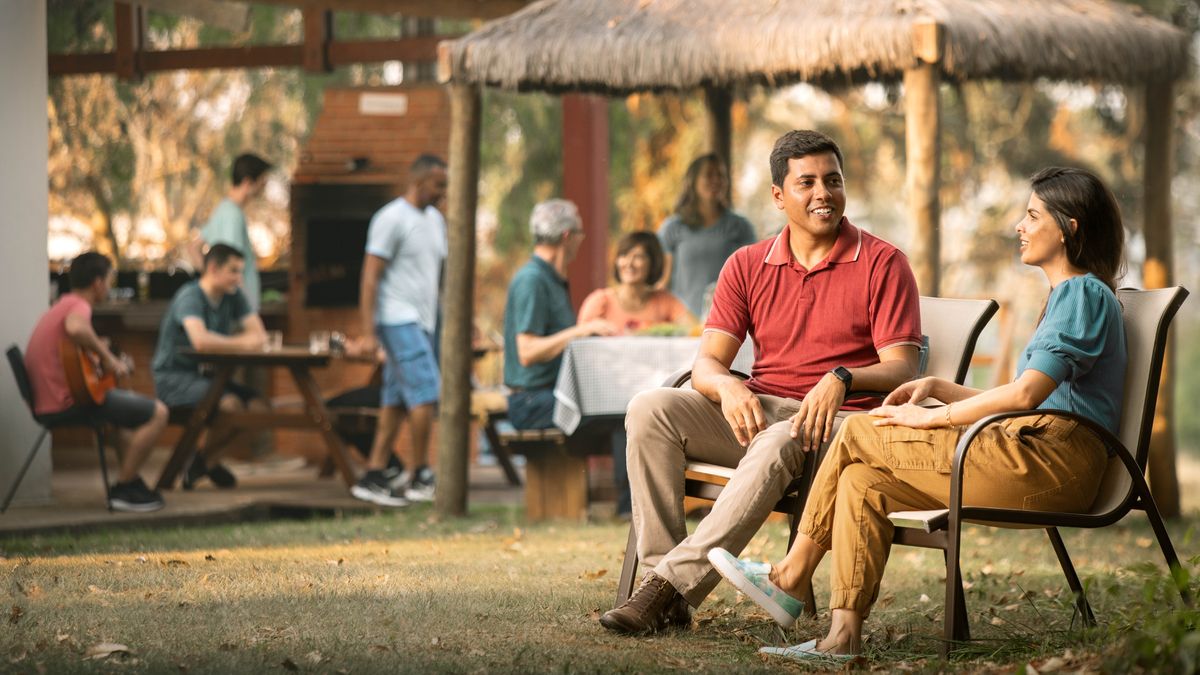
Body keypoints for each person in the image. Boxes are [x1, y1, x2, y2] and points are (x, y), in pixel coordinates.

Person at [709, 167, 1127, 662]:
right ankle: (842, 640)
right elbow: (1028, 395)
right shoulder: (1070, 296)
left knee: (860, 429)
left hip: (1051, 463)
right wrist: (939, 389)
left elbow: (1025, 397)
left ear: (1069, 227)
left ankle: (792, 574)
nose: (1020, 224)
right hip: (1032, 453)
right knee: (862, 480)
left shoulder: (1083, 293)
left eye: (1033, 215)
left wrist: (934, 418)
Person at [599, 130, 923, 635]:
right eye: (807, 182)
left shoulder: (883, 262)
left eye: (833, 181)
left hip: (838, 425)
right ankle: (665, 586)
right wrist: (729, 387)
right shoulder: (746, 265)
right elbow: (708, 362)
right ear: (778, 196)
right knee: (649, 407)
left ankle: (665, 590)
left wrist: (841, 377)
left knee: (779, 439)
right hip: (762, 407)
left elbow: (903, 367)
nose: (824, 194)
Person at [24, 252, 169, 512]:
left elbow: (73, 352)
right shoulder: (79, 306)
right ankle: (123, 488)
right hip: (68, 402)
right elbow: (77, 329)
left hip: (51, 401)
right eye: (110, 280)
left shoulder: (61, 305)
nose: (110, 286)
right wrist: (110, 360)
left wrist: (99, 353)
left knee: (118, 424)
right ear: (98, 283)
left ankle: (131, 481)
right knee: (158, 413)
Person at [348, 154, 449, 507]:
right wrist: (368, 333)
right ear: (419, 181)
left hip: (425, 321)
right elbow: (370, 277)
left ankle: (374, 474)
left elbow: (439, 277)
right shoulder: (390, 218)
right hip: (396, 318)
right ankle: (421, 472)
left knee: (395, 400)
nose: (443, 193)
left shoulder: (436, 220)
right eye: (439, 185)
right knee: (426, 393)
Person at [578, 231, 694, 519]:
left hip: (651, 393)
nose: (629, 262)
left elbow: (695, 330)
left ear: (652, 263)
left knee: (657, 413)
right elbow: (582, 353)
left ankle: (669, 503)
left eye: (638, 256)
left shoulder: (663, 301)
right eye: (624, 255)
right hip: (603, 401)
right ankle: (627, 506)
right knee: (627, 416)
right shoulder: (600, 302)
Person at [152, 243, 270, 489]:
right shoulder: (190, 296)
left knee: (259, 406)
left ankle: (204, 461)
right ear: (214, 268)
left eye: (241, 272)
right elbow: (201, 341)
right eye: (234, 271)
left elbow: (260, 336)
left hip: (210, 380)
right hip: (174, 378)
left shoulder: (233, 295)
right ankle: (207, 463)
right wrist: (243, 343)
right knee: (231, 404)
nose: (239, 279)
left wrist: (240, 342)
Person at [186, 152, 278, 465]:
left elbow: (196, 244)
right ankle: (208, 459)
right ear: (249, 182)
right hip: (236, 321)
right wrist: (210, 285)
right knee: (233, 392)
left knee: (243, 392)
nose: (264, 190)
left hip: (244, 317)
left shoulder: (228, 211)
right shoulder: (231, 214)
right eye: (263, 183)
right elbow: (219, 261)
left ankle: (209, 460)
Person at [503, 199, 616, 431]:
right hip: (531, 402)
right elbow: (527, 351)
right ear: (567, 236)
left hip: (552, 393)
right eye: (580, 233)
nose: (581, 240)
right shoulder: (532, 280)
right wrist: (581, 330)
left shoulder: (553, 278)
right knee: (615, 411)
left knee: (620, 402)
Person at [658, 154, 758, 318]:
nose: (716, 180)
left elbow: (752, 278)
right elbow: (663, 282)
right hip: (681, 323)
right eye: (709, 174)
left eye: (721, 175)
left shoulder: (741, 227)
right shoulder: (672, 228)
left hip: (728, 320)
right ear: (693, 181)